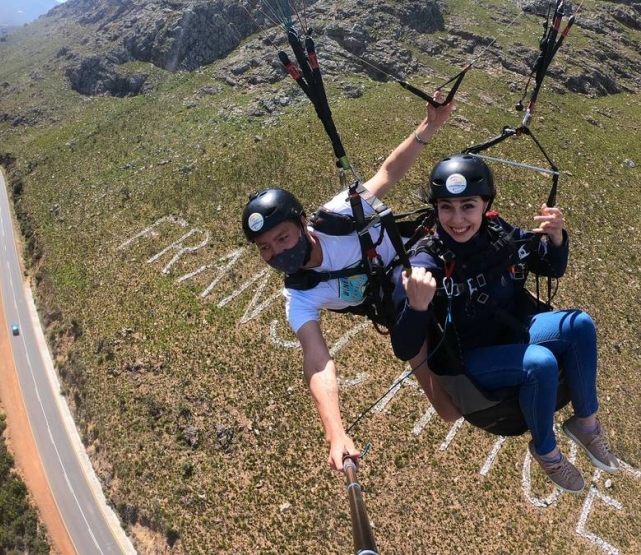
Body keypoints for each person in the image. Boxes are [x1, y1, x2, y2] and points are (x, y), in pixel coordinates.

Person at [241, 95, 455, 471]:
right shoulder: (300, 294)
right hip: (399, 310)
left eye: (283, 238)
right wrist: (335, 432)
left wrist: (430, 126)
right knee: (446, 409)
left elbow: (388, 173)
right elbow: (317, 360)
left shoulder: (338, 217)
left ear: (302, 223)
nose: (278, 252)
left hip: (420, 263)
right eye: (265, 248)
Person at [390, 153, 619, 493]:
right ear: (436, 209)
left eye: (468, 206)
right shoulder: (427, 262)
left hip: (510, 333)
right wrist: (417, 305)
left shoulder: (497, 231)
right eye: (446, 208)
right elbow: (405, 347)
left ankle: (586, 424)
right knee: (539, 363)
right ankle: (546, 451)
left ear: (486, 205)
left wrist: (556, 239)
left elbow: (548, 266)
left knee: (579, 324)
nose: (457, 219)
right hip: (470, 360)